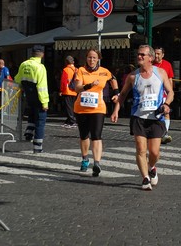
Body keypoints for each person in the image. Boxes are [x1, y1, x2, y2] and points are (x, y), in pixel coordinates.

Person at [111, 45, 174, 191]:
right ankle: (145, 178)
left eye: (142, 55)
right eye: (138, 54)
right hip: (138, 117)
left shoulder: (161, 73)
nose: (139, 57)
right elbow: (123, 95)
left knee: (154, 152)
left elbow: (170, 92)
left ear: (150, 58)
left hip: (156, 117)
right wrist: (116, 110)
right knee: (140, 149)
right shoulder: (133, 76)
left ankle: (152, 166)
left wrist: (166, 104)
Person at [73, 48, 119, 176]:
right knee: (84, 135)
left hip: (98, 107)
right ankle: (85, 158)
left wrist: (116, 93)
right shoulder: (80, 71)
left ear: (98, 59)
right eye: (89, 57)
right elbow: (77, 89)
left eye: (94, 58)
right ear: (86, 58)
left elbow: (113, 79)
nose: (91, 60)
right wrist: (89, 85)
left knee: (96, 135)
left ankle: (97, 163)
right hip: (81, 108)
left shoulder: (104, 72)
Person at [15, 45, 49, 153]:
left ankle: (29, 133)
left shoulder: (24, 64)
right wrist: (45, 103)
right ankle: (37, 146)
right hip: (38, 98)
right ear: (42, 55)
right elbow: (42, 87)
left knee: (32, 115)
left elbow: (17, 79)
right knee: (40, 121)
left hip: (29, 97)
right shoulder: (40, 67)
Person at [153, 46, 174, 144]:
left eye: (158, 54)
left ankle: (165, 133)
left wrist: (171, 92)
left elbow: (170, 79)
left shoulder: (167, 64)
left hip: (164, 93)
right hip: (153, 93)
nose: (156, 56)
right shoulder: (150, 64)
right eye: (155, 53)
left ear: (163, 55)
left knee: (166, 112)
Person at [59, 55, 77, 128]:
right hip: (75, 91)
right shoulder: (77, 69)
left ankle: (72, 121)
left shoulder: (66, 70)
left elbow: (63, 82)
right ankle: (69, 120)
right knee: (72, 107)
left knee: (68, 107)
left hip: (67, 91)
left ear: (66, 62)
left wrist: (61, 90)